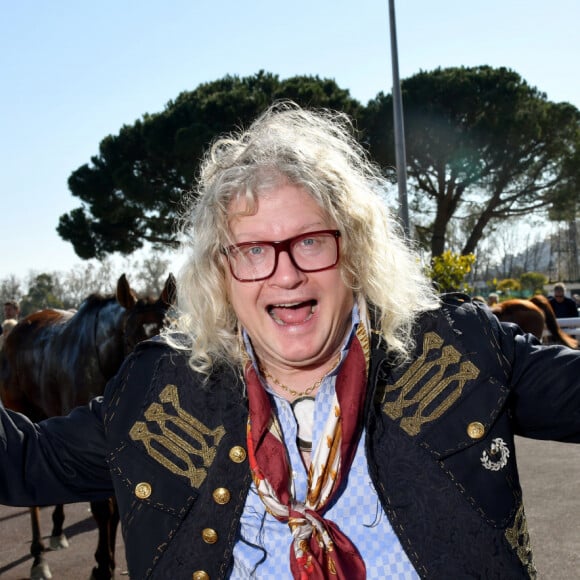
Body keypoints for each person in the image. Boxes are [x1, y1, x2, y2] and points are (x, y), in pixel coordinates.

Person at [1, 103, 579, 580]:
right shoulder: (157, 391)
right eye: (252, 250)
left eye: (310, 241)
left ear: (353, 252)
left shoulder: (460, 349)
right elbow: (21, 461)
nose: (284, 274)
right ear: (220, 275)